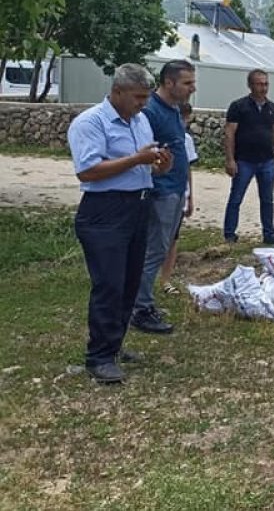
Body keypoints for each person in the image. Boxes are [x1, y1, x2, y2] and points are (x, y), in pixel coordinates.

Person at [67, 64, 173, 383]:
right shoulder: (90, 123)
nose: (143, 103)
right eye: (138, 97)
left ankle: (114, 345)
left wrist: (158, 166)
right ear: (118, 91)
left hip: (137, 206)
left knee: (128, 282)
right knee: (109, 284)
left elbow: (143, 169)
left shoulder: (140, 122)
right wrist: (136, 160)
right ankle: (98, 357)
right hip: (104, 211)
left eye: (146, 97)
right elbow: (88, 171)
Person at [130, 60, 196, 334]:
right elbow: (144, 152)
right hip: (162, 191)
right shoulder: (151, 112)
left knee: (162, 246)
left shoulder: (173, 109)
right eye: (187, 83)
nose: (193, 88)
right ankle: (140, 309)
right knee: (154, 249)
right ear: (169, 83)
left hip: (176, 189)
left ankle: (143, 301)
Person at [223, 69, 274, 245]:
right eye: (259, 84)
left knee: (267, 199)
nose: (263, 88)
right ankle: (229, 234)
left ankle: (269, 233)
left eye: (266, 84)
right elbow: (229, 133)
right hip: (244, 160)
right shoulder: (238, 106)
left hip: (266, 160)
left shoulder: (272, 107)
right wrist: (230, 159)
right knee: (236, 198)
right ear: (250, 85)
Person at [159, 102, 199, 293]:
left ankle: (165, 280)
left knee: (173, 239)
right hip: (162, 193)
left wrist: (190, 196)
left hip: (180, 194)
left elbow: (187, 168)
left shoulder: (186, 140)